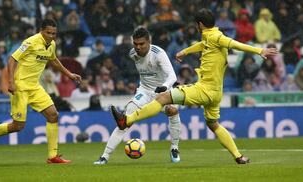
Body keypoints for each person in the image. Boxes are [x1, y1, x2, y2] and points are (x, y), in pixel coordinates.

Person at [110, 9, 278, 164]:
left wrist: (259, 51)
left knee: (163, 98)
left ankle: (127, 120)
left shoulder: (216, 38)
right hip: (216, 93)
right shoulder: (212, 35)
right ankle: (238, 156)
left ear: (200, 25)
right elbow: (203, 44)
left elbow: (233, 43)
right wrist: (185, 51)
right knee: (213, 124)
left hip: (203, 89)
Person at [0, 19, 82, 164]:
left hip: (34, 87)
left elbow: (54, 60)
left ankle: (52, 156)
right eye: (48, 32)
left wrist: (69, 74)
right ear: (41, 30)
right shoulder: (30, 42)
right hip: (20, 87)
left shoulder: (52, 45)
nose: (51, 36)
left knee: (53, 115)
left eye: (54, 33)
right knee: (18, 126)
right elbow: (12, 59)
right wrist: (11, 81)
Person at [94, 27, 182, 165]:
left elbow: (172, 75)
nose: (138, 47)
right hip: (145, 91)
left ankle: (174, 148)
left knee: (173, 111)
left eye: (142, 44)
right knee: (124, 121)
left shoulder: (158, 54)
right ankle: (104, 157)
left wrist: (165, 86)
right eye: (135, 44)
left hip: (163, 91)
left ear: (149, 41)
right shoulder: (132, 53)